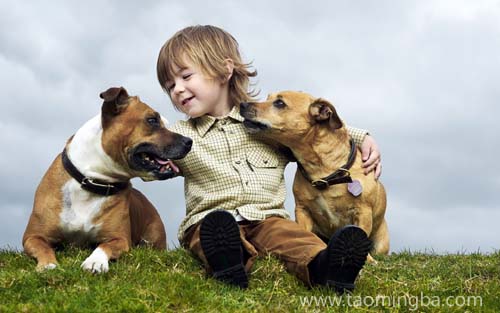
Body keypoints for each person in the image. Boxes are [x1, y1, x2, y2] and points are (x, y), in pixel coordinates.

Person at [156, 25, 381, 292]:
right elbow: (146, 148)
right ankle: (229, 265)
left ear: (225, 71)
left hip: (268, 219)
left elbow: (312, 133)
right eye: (170, 86)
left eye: (185, 76)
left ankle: (326, 267)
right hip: (212, 219)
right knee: (210, 234)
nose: (177, 90)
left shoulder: (268, 128)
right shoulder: (179, 135)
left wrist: (361, 136)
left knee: (294, 238)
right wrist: (156, 162)